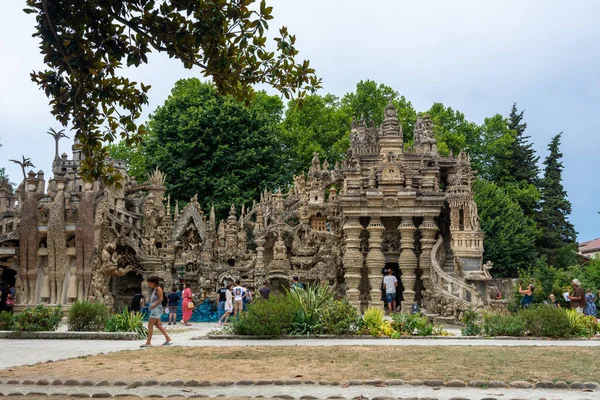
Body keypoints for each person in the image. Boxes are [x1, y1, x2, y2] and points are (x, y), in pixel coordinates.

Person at [140, 276, 171, 347]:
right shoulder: (154, 290)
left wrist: (154, 304)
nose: (149, 285)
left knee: (150, 325)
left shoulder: (158, 289)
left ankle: (148, 342)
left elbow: (161, 298)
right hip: (154, 309)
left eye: (150, 284)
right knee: (158, 325)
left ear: (154, 283)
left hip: (156, 309)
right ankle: (167, 338)